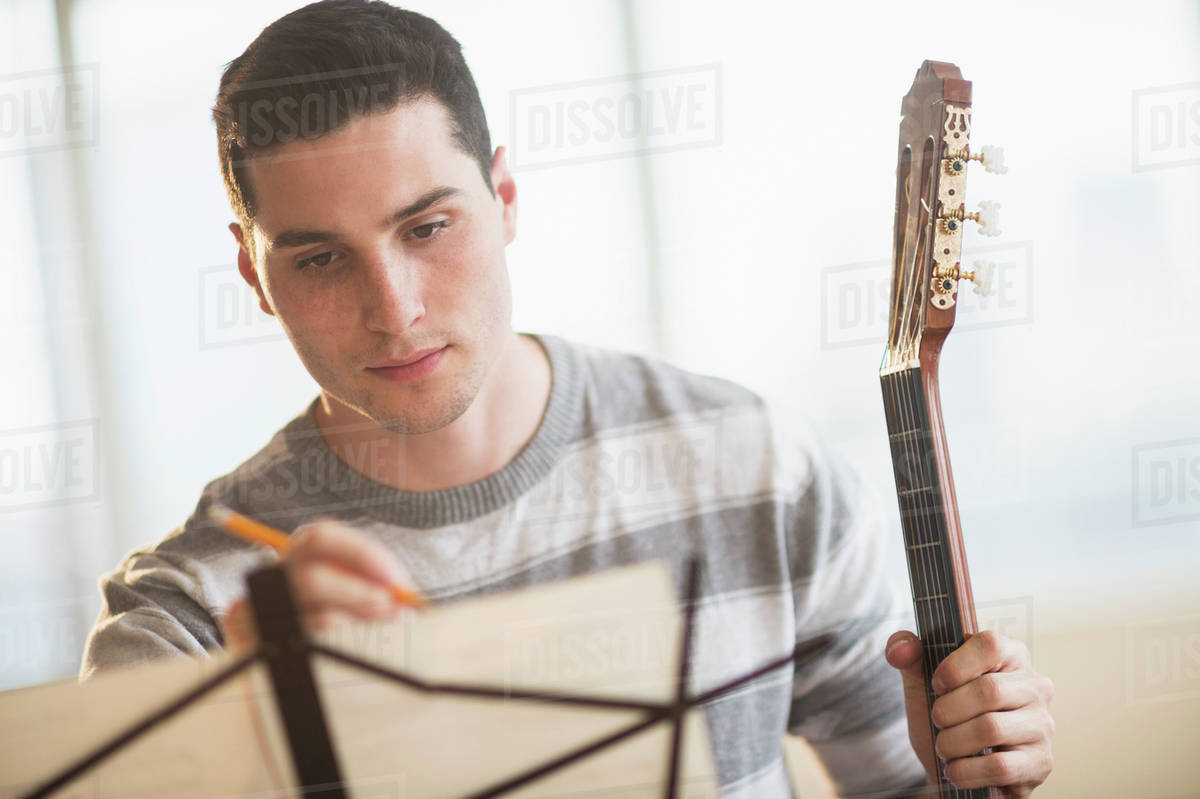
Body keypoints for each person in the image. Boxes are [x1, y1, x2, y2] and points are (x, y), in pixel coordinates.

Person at [79, 1, 1054, 796]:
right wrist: (249, 735)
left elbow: (903, 785)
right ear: (255, 277)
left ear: (505, 199)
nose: (394, 309)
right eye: (323, 258)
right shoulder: (184, 615)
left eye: (426, 227)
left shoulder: (758, 468)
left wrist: (975, 761)